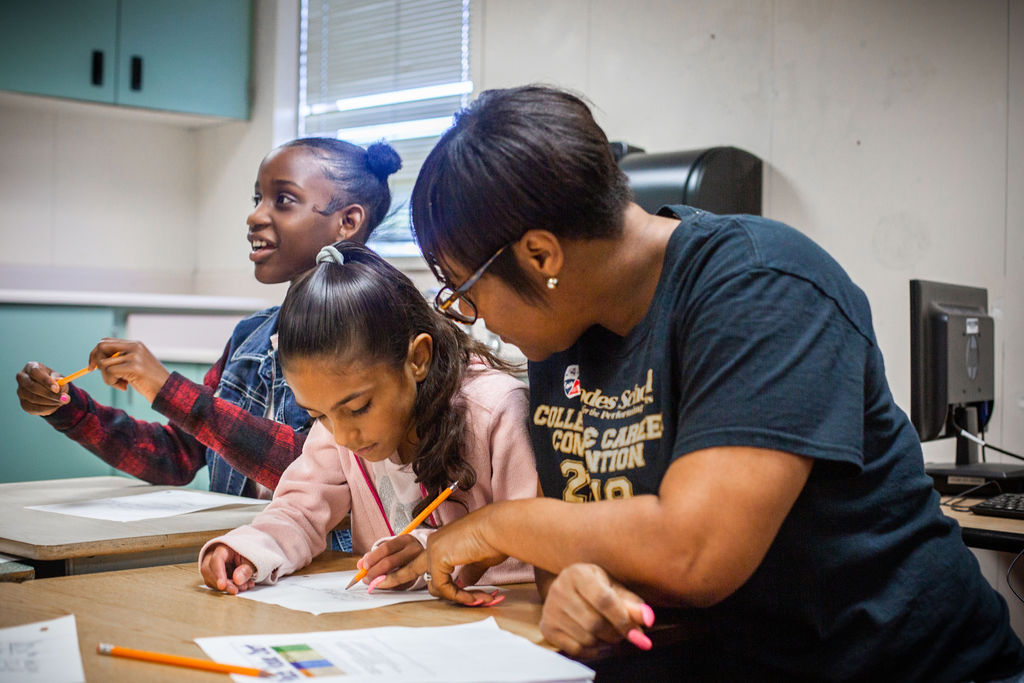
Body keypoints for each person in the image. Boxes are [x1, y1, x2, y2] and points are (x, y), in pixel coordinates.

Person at [406, 84, 1024, 682]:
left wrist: (495, 525)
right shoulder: (564, 334)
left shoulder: (763, 285)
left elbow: (695, 552)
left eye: (464, 291)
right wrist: (573, 585)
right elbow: (580, 534)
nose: (475, 316)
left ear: (541, 257)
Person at [14, 138, 402, 552]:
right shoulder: (250, 336)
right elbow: (179, 457)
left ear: (348, 221)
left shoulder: (375, 338)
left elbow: (320, 472)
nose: (255, 215)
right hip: (245, 558)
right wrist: (71, 409)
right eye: (258, 198)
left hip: (329, 568)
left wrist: (168, 389)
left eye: (283, 200)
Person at [198, 241, 538, 597]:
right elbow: (299, 512)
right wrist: (249, 551)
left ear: (417, 358)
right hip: (389, 632)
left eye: (358, 408)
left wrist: (431, 549)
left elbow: (537, 545)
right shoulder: (338, 423)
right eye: (319, 415)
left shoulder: (496, 411)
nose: (342, 436)